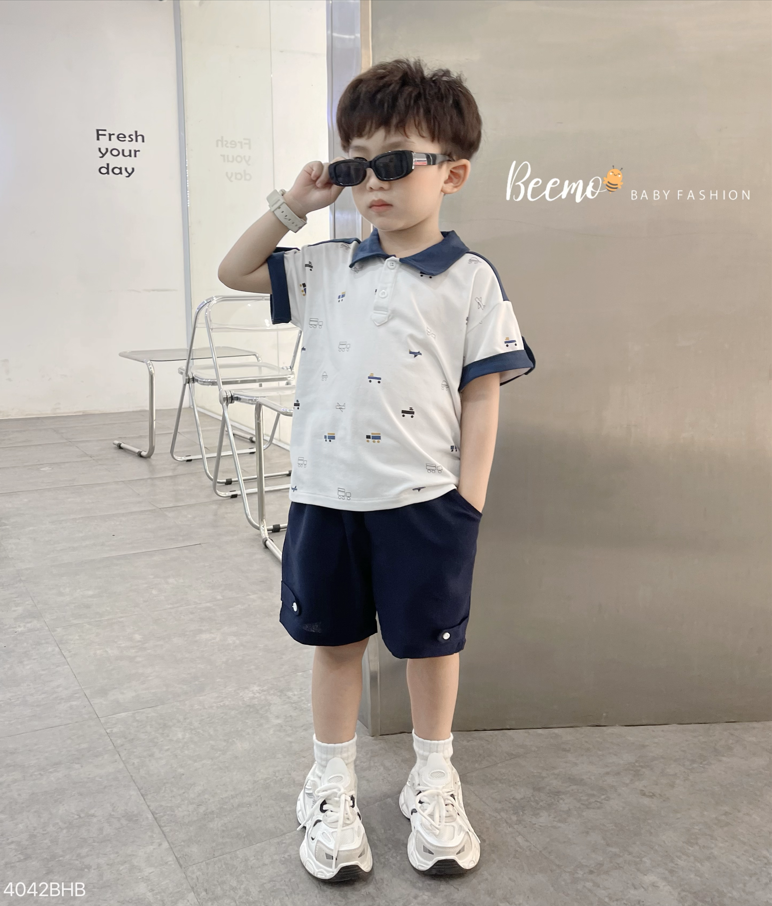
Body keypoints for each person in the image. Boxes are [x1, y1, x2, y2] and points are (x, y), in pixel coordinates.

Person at [218, 57, 535, 883]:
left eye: (394, 161)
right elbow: (234, 270)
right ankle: (329, 783)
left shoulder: (469, 279)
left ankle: (433, 776)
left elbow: (482, 395)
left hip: (426, 502)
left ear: (451, 173)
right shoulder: (326, 264)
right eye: (358, 165)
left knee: (431, 647)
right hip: (326, 498)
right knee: (334, 644)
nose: (374, 181)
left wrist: (468, 501)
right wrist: (297, 203)